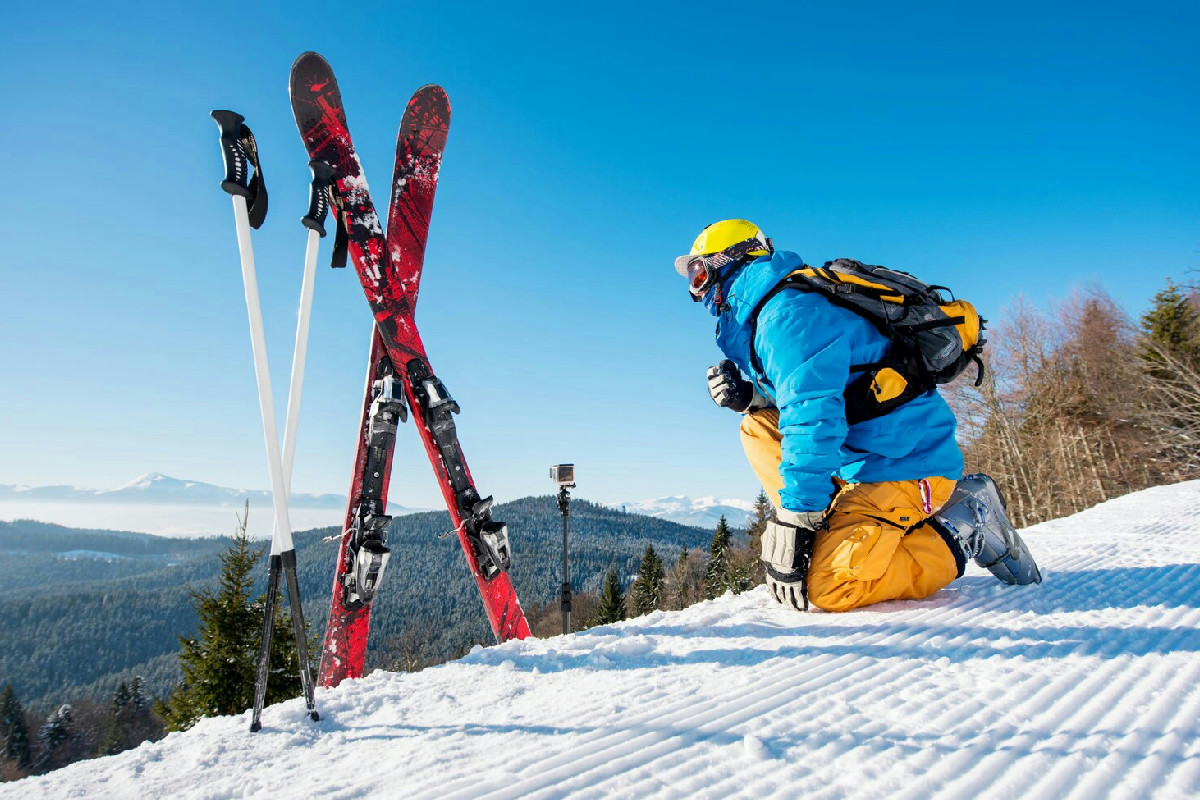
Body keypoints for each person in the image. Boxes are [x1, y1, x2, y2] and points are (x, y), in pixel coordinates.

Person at [676, 219, 1040, 612]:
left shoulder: (787, 316)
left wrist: (796, 518)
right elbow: (822, 388)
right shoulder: (776, 312)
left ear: (731, 259)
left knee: (830, 585)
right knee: (756, 426)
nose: (698, 291)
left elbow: (812, 418)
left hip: (906, 464)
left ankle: (963, 525)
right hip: (867, 453)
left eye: (699, 274)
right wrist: (752, 396)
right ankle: (831, 517)